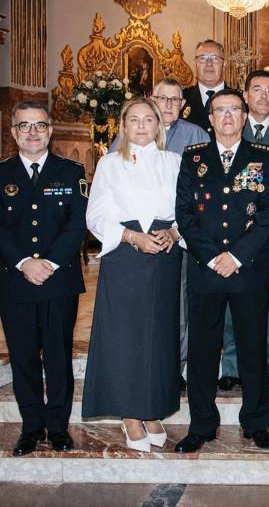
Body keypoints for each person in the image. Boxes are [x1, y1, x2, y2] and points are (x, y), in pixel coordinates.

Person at [174, 89, 269, 453]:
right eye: (220, 111)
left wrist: (234, 256)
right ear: (210, 118)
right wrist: (212, 256)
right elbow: (185, 214)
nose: (228, 117)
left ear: (245, 114)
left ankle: (256, 424)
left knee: (253, 352)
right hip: (205, 272)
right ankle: (202, 425)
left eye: (235, 109)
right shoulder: (193, 158)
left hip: (247, 269)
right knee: (203, 354)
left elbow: (268, 215)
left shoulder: (263, 157)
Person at [82, 97, 182, 452]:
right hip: (124, 253)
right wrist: (130, 237)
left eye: (148, 119)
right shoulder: (110, 164)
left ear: (159, 126)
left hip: (164, 254)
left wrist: (174, 233)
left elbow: (188, 209)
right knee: (125, 334)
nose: (141, 126)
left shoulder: (175, 162)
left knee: (158, 334)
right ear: (123, 126)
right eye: (134, 120)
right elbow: (94, 217)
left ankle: (152, 408)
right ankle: (129, 413)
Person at [110, 78, 209, 392]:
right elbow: (113, 183)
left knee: (179, 306)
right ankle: (139, 364)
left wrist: (178, 231)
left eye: (174, 99)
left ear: (183, 104)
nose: (168, 105)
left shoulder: (197, 136)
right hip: (135, 241)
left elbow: (204, 191)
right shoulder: (128, 138)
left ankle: (175, 366)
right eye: (162, 98)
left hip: (180, 238)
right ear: (152, 100)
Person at [0, 101, 87, 456]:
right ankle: (32, 426)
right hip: (15, 280)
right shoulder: (1, 174)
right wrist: (23, 262)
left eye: (39, 126)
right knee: (22, 357)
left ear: (50, 130)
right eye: (25, 126)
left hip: (59, 279)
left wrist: (48, 262)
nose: (32, 132)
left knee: (57, 355)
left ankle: (58, 427)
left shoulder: (71, 171)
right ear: (13, 132)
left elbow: (77, 225)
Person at [218, 70, 269, 396]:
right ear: (246, 94)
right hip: (235, 233)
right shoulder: (232, 129)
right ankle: (233, 366)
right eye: (257, 90)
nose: (264, 96)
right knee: (231, 299)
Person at [182, 39, 233, 135]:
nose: (209, 63)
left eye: (215, 58)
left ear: (224, 64)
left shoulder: (240, 100)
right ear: (195, 64)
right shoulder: (181, 99)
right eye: (202, 58)